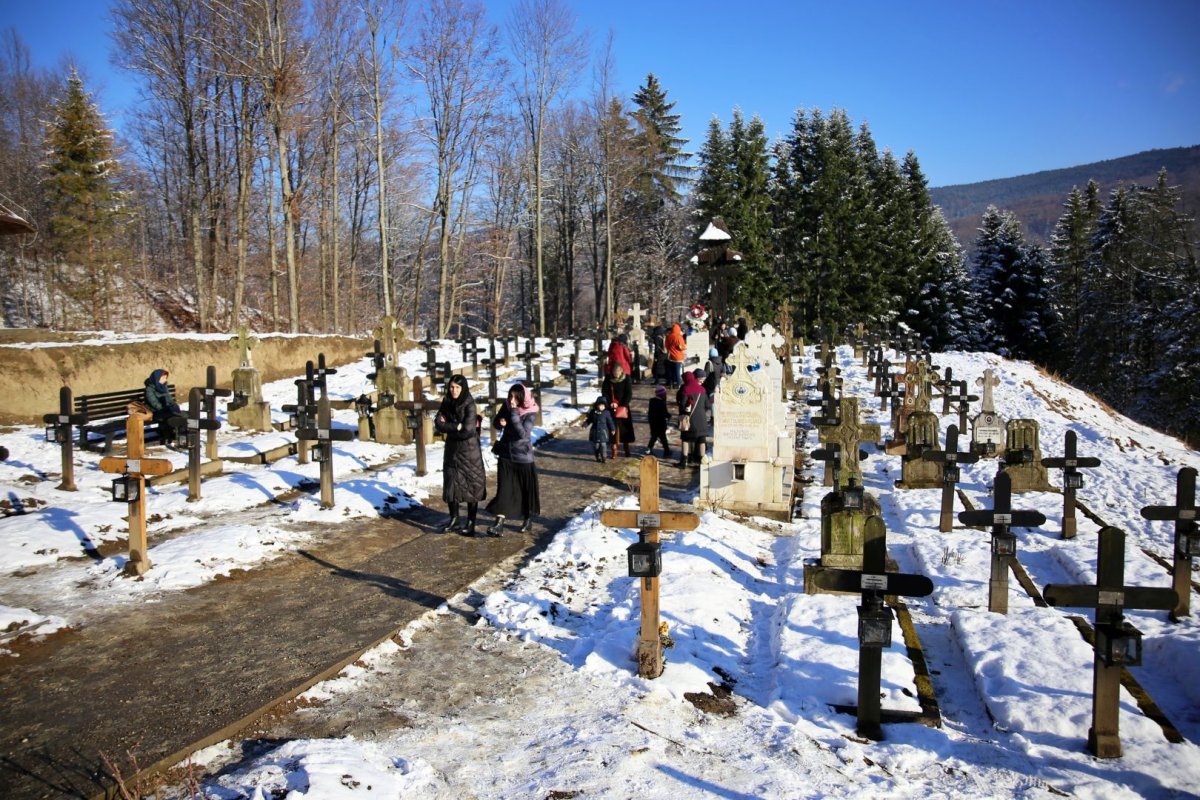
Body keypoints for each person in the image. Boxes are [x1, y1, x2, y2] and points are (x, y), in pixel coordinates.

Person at [434, 375, 486, 535]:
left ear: (463, 388)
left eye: (457, 387)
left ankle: (471, 522)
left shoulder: (469, 404)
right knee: (451, 484)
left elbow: (468, 430)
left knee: (471, 486)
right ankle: (454, 519)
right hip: (452, 450)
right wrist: (456, 426)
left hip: (469, 451)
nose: (454, 390)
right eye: (451, 387)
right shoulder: (446, 401)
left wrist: (449, 427)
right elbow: (438, 423)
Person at [486, 383, 541, 536]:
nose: (512, 400)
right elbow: (496, 422)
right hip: (506, 455)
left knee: (525, 490)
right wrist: (500, 422)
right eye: (510, 396)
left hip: (523, 457)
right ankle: (499, 524)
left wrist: (514, 412)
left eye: (516, 397)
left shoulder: (531, 412)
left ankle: (528, 519)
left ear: (522, 398)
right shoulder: (507, 406)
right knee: (504, 490)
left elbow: (522, 434)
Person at [601, 362, 636, 457]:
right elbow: (604, 392)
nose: (616, 374)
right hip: (612, 406)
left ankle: (626, 447)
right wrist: (610, 402)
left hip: (623, 407)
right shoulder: (608, 378)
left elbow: (629, 393)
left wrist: (623, 405)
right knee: (612, 427)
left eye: (617, 372)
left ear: (621, 371)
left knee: (625, 427)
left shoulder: (626, 378)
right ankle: (614, 449)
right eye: (614, 372)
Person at [678, 369, 710, 467]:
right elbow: (707, 405)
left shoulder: (685, 389)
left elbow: (682, 406)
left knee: (685, 439)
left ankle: (684, 461)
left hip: (690, 419)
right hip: (701, 419)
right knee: (701, 439)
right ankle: (702, 460)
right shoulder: (702, 389)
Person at [143, 368, 181, 443]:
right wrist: (164, 408)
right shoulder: (149, 389)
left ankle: (174, 434)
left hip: (164, 409)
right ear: (157, 378)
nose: (165, 379)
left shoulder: (163, 387)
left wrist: (173, 405)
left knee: (178, 413)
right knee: (167, 415)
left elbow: (169, 398)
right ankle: (166, 436)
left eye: (166, 378)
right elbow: (154, 403)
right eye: (163, 378)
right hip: (154, 411)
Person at [585, 395, 617, 463]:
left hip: (603, 432)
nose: (601, 407)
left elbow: (610, 422)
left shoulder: (606, 413)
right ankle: (597, 457)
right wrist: (585, 425)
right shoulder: (593, 412)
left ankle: (604, 457)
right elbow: (589, 420)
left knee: (603, 445)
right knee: (596, 446)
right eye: (600, 405)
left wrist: (613, 429)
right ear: (597, 405)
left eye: (603, 406)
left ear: (605, 406)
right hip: (595, 432)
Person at [646, 386, 672, 459]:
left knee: (654, 436)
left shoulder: (652, 401)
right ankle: (666, 451)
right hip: (660, 423)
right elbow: (665, 413)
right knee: (663, 438)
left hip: (652, 422)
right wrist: (669, 416)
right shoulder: (661, 403)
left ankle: (649, 449)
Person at [664, 323, 687, 389]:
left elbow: (666, 346)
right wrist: (684, 347)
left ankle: (671, 384)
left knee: (671, 371)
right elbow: (682, 347)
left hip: (670, 356)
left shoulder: (668, 336)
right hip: (678, 357)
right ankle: (678, 384)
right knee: (677, 371)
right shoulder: (679, 337)